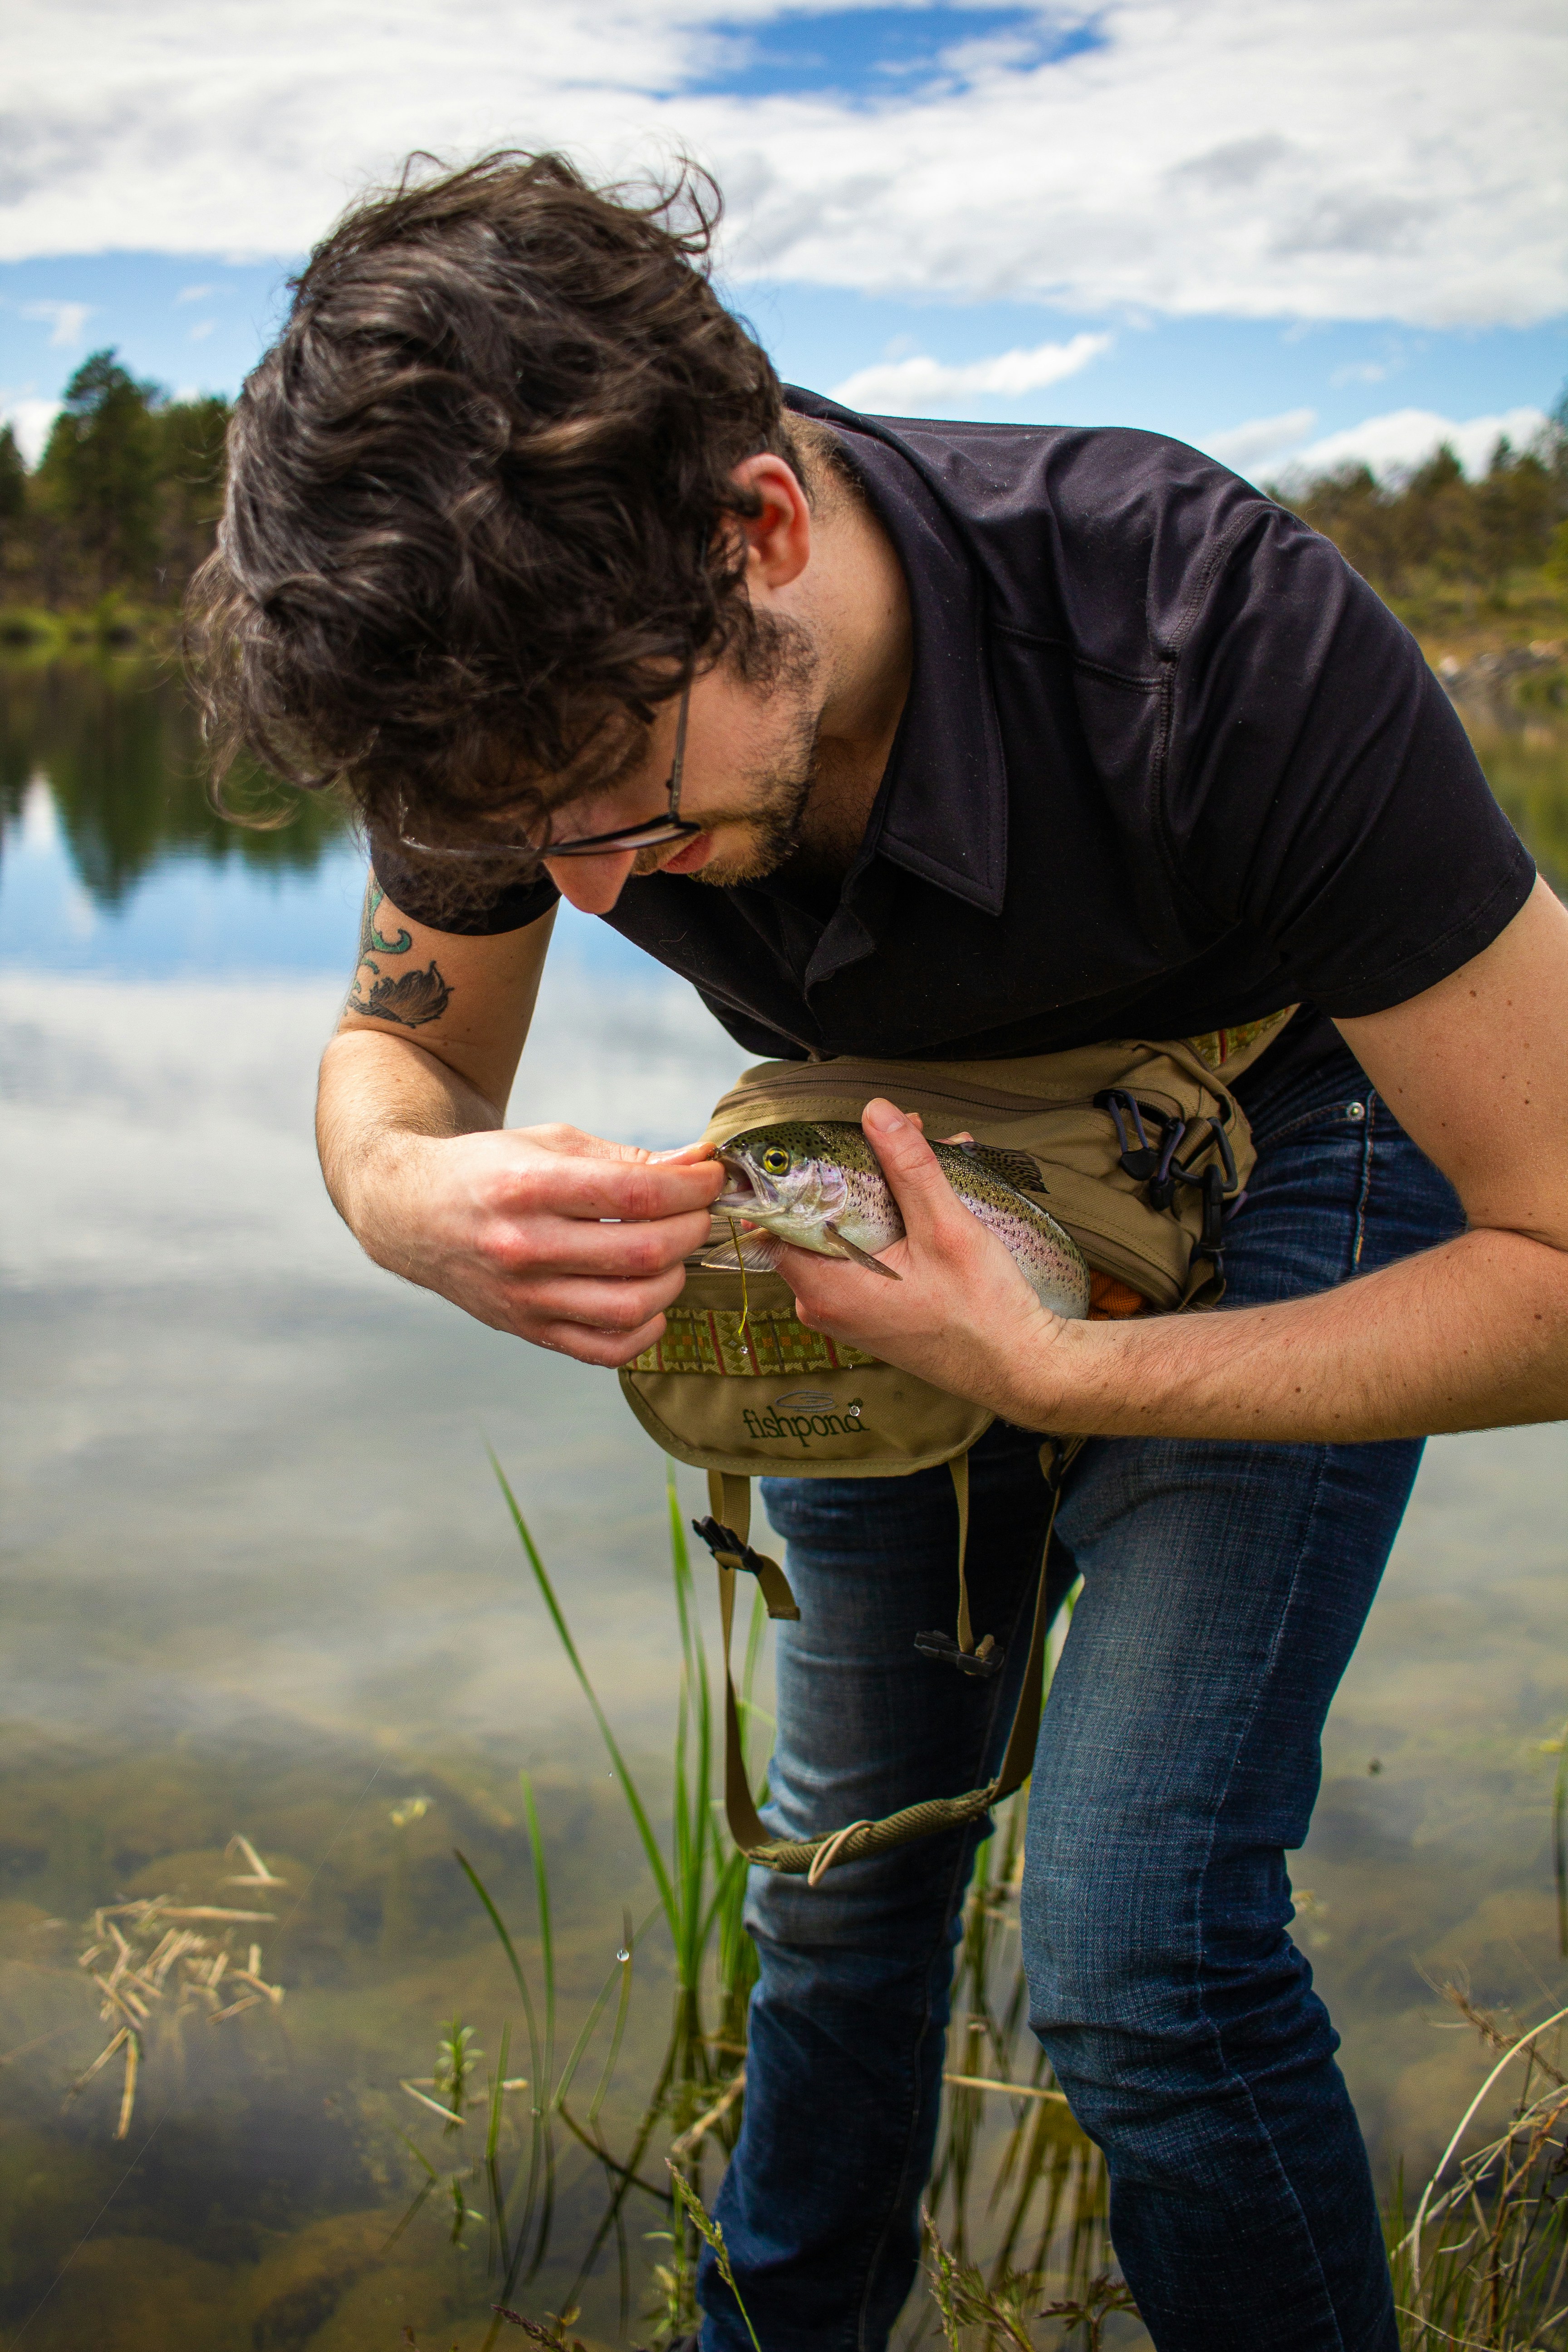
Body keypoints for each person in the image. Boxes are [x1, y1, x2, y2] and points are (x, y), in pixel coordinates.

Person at [189, 152, 1568, 2352]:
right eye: (517, 840)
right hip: (877, 1171)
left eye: (618, 803)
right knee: (841, 1880)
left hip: (1301, 1136)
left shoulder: (1209, 633)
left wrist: (1072, 1379)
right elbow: (396, 1063)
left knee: (1138, 1946)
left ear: (759, 531)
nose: (595, 893)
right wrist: (406, 1196)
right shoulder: (508, 669)